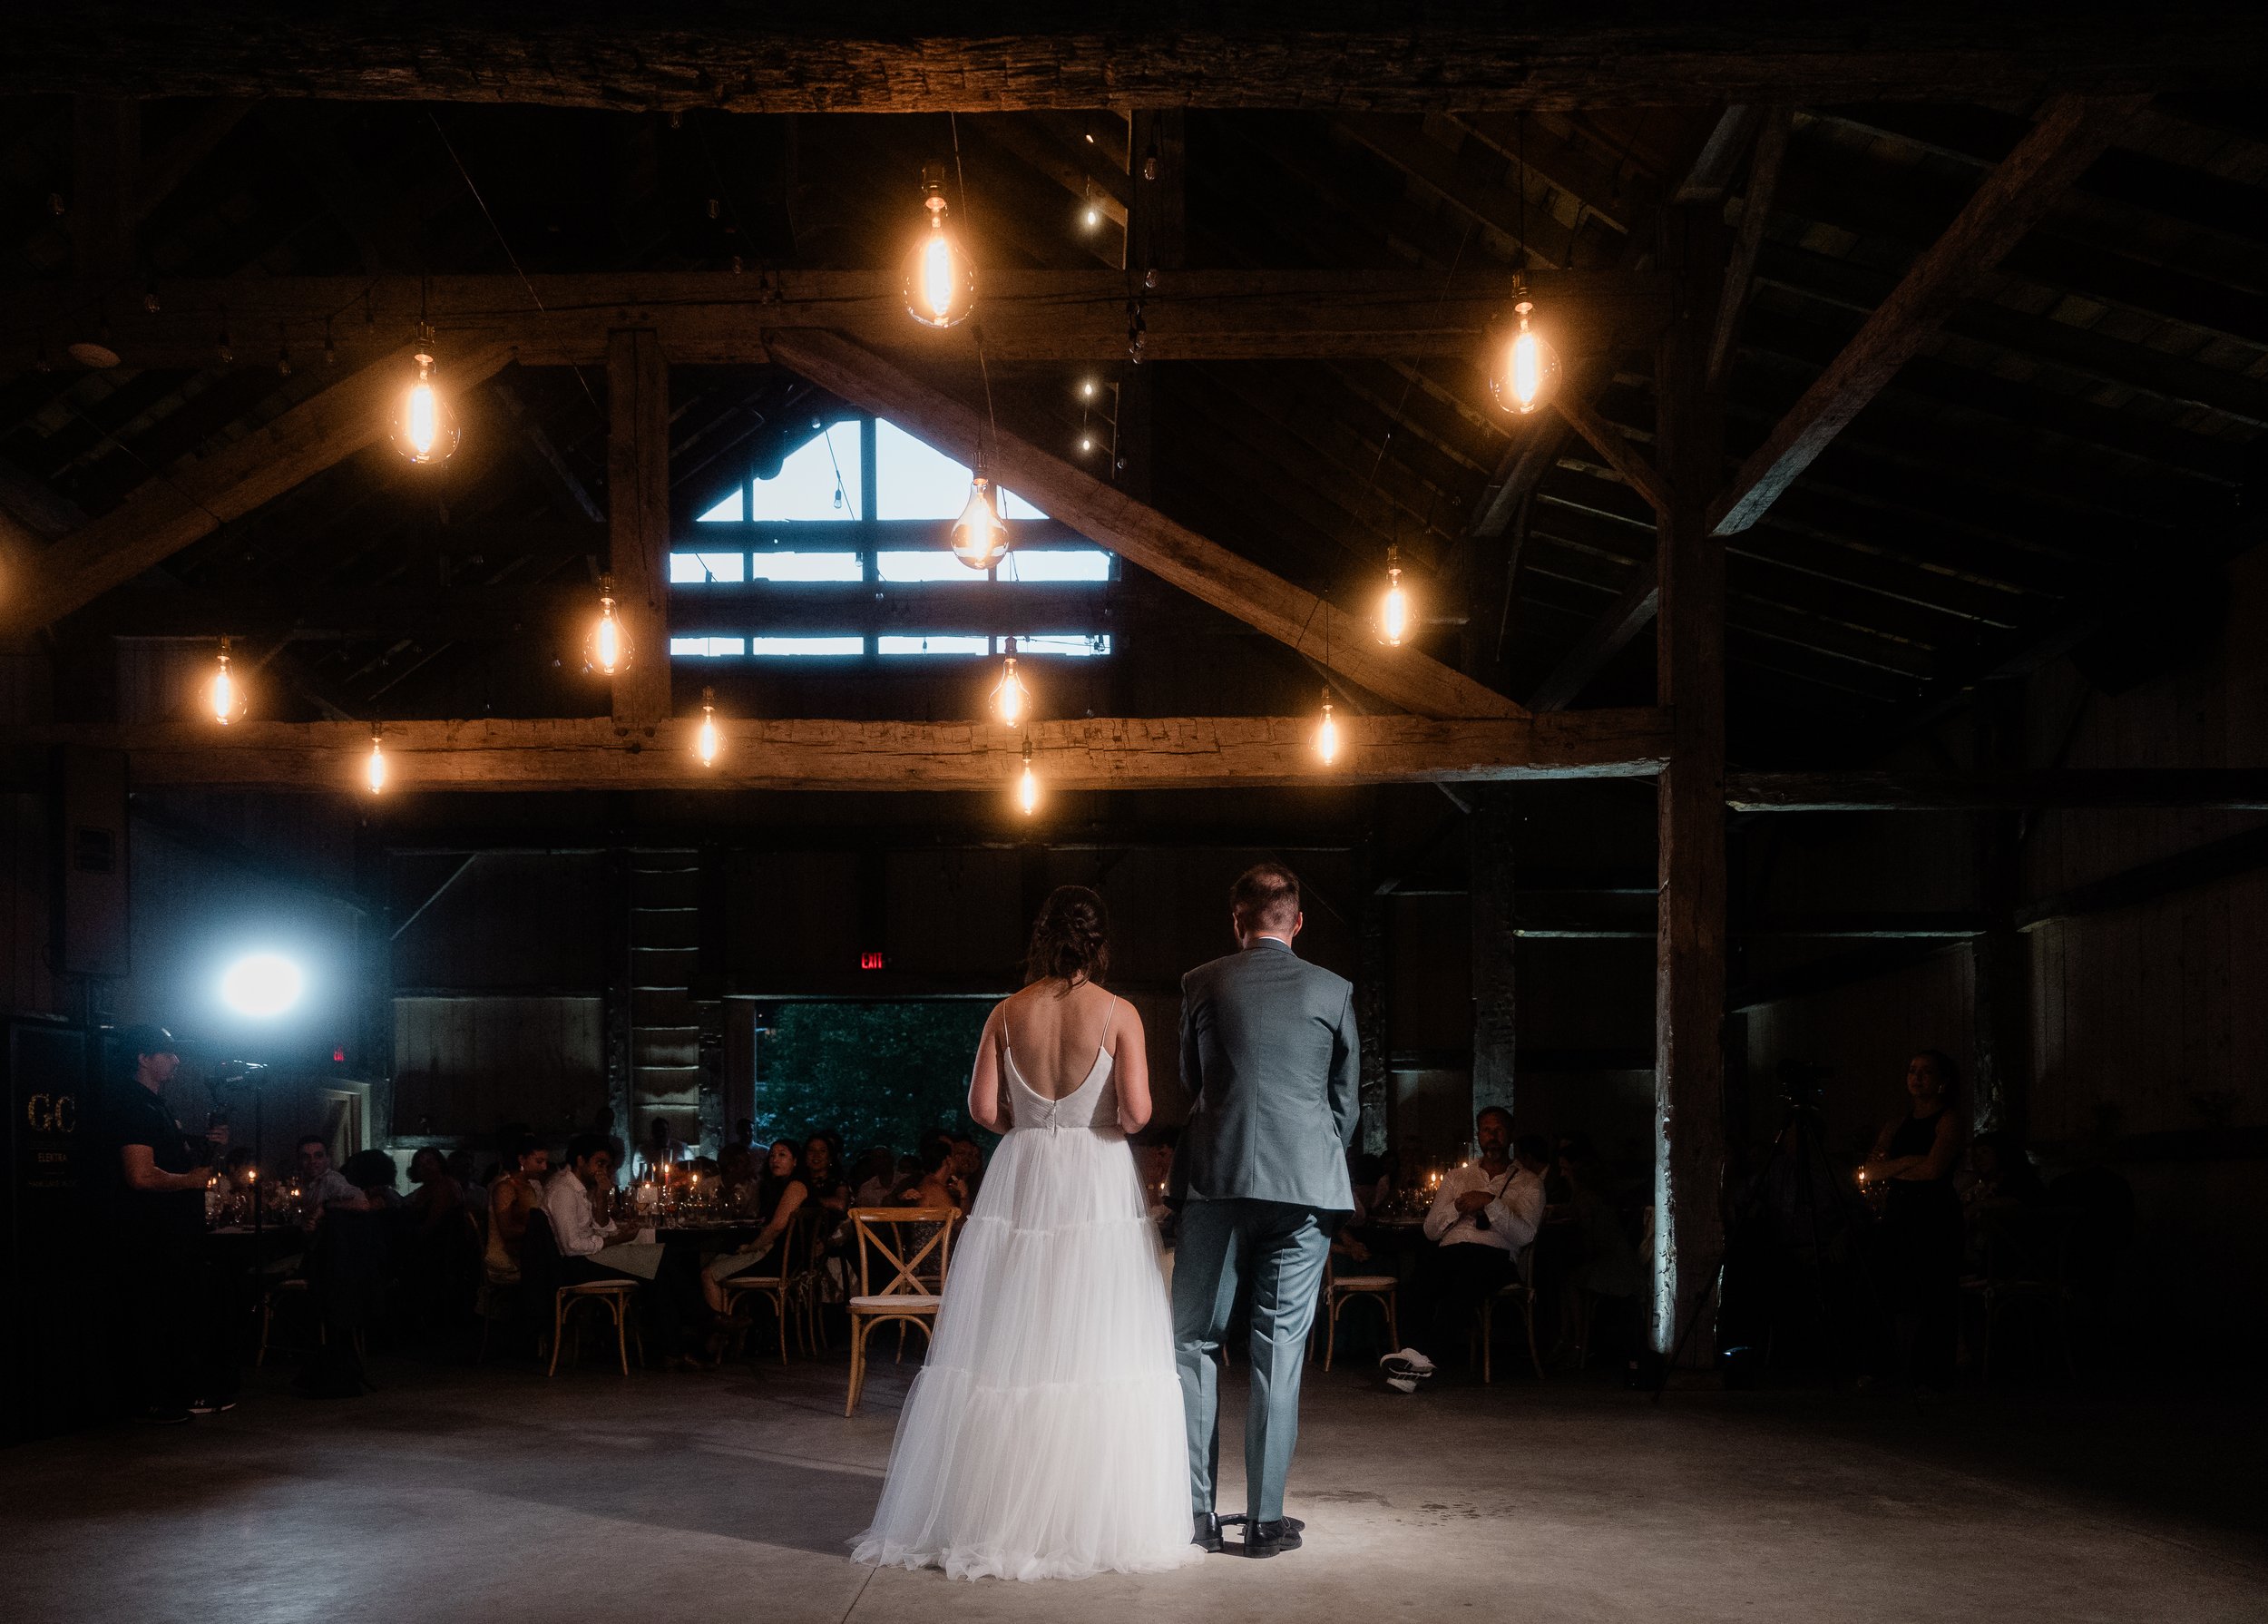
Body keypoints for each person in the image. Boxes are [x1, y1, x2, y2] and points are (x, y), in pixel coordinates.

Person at [854, 885, 1200, 1580]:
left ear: (1044, 939)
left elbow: (982, 1107)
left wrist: (1031, 1126)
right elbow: (1136, 1115)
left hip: (1025, 1171)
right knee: (1094, 1341)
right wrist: (1084, 1122)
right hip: (1093, 1171)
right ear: (1099, 942)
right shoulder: (1119, 1012)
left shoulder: (1007, 1012)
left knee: (1014, 1343)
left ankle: (998, 1512)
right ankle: (1081, 1514)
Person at [1170, 862, 1360, 1559]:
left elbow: (1194, 1080)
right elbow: (1347, 1103)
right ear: (1297, 921)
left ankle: (1195, 1514)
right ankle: (1265, 1522)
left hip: (1217, 1180)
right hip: (1304, 1186)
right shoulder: (1334, 990)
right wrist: (1308, 1155)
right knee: (1279, 1351)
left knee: (1193, 1343)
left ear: (1236, 919)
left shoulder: (1201, 982)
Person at [111, 1025, 238, 1423]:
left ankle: (173, 1393)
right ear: (143, 1058)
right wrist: (192, 1181)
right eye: (166, 1053)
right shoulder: (133, 1104)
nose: (177, 1059)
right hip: (150, 1235)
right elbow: (141, 1176)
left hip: (169, 1233)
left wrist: (209, 1149)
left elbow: (177, 1165)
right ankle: (155, 1399)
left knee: (175, 1313)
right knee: (157, 1317)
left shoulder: (156, 1105)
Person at [542, 1134, 718, 1370]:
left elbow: (602, 1226)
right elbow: (572, 1245)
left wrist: (604, 1195)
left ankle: (677, 1347)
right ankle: (705, 1322)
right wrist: (616, 1241)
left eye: (607, 1165)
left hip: (587, 1255)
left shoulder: (582, 1188)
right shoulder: (563, 1190)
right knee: (660, 1261)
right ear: (581, 1160)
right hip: (574, 1265)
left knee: (659, 1269)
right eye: (599, 1163)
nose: (603, 1170)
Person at [1399, 1112, 1549, 1380]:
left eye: (1499, 1130)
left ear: (1510, 1135)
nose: (1492, 1136)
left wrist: (1489, 1203)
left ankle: (1424, 1361)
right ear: (1478, 1135)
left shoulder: (1529, 1183)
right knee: (1418, 1283)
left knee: (1461, 1291)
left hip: (1495, 1255)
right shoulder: (1457, 1177)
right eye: (1486, 1130)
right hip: (1453, 1250)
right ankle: (1412, 1354)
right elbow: (1430, 1231)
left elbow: (1525, 1235)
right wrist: (1457, 1207)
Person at [1862, 1049, 1969, 1388]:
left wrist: (1895, 1171)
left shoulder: (1949, 1120)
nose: (1917, 1077)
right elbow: (1871, 1170)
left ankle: (1932, 1376)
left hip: (1935, 1215)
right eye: (1912, 1070)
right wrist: (1909, 1160)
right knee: (1887, 1289)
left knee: (1934, 1293)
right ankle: (1886, 1369)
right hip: (1899, 1213)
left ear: (1942, 1081)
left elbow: (1935, 1169)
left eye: (1925, 1071)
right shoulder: (1895, 1125)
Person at [703, 1139, 813, 1310]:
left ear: (795, 1161)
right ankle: (736, 1321)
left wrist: (751, 1248)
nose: (775, 1160)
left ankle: (724, 1330)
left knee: (708, 1273)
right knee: (715, 1260)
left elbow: (777, 1227)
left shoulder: (796, 1186)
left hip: (780, 1259)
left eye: (782, 1155)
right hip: (778, 1254)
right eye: (772, 1156)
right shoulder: (777, 1187)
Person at [484, 1136, 550, 1282]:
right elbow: (507, 1231)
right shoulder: (505, 1187)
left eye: (545, 1161)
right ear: (522, 1160)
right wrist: (543, 1229)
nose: (544, 1167)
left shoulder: (528, 1186)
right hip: (508, 1257)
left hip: (526, 1251)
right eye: (539, 1161)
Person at [295, 1135, 365, 1223]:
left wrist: (326, 1206)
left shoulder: (331, 1179)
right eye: (306, 1157)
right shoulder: (310, 1184)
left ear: (328, 1159)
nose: (312, 1161)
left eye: (318, 1156)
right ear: (299, 1161)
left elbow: (362, 1203)